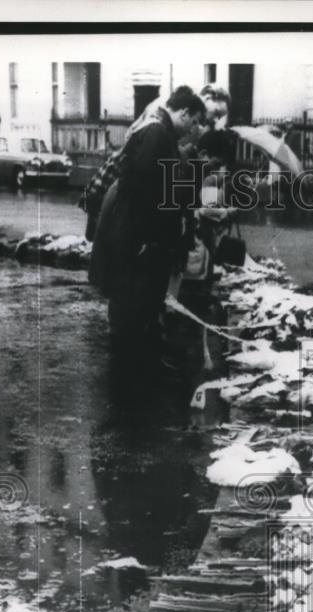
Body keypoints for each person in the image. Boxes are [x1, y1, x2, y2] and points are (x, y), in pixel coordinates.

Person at [88, 86, 206, 405]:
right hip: (135, 237)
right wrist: (145, 240)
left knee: (137, 304)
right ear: (182, 114)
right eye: (193, 121)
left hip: (136, 235)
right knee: (132, 304)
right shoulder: (157, 134)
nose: (194, 128)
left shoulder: (158, 129)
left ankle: (133, 373)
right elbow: (143, 192)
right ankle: (129, 383)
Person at [80, 85, 231, 240]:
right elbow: (144, 172)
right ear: (206, 99)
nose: (217, 121)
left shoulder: (182, 119)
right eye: (218, 113)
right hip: (117, 190)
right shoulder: (160, 122)